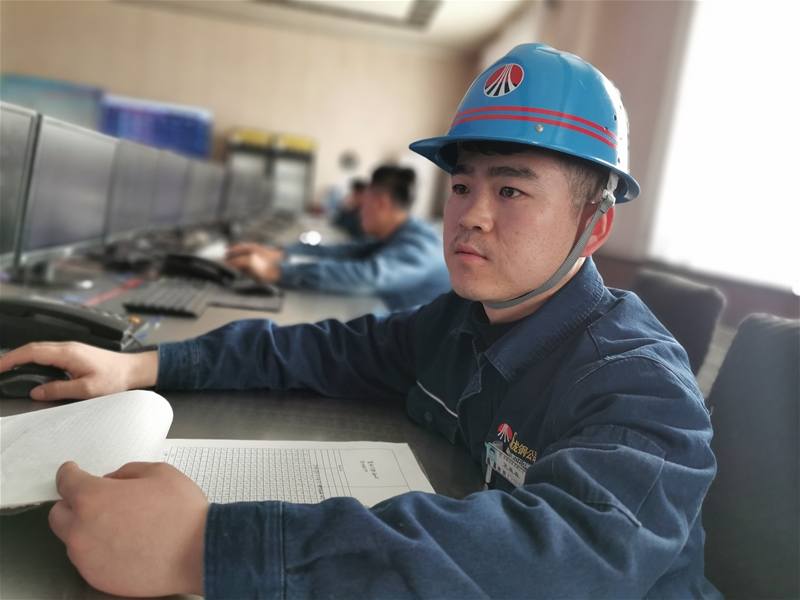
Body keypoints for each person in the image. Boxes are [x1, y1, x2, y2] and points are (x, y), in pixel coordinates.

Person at [0, 43, 720, 598]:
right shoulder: (462, 322)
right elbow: (323, 350)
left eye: (510, 190)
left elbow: (558, 560)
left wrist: (206, 548)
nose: (470, 214)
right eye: (462, 185)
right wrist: (144, 364)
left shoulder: (639, 384)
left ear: (595, 225)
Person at [225, 166, 451, 311]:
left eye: (363, 205)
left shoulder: (422, 244)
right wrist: (278, 254)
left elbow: (369, 276)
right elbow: (342, 252)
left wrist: (275, 272)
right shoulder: (396, 236)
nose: (360, 213)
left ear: (381, 203)